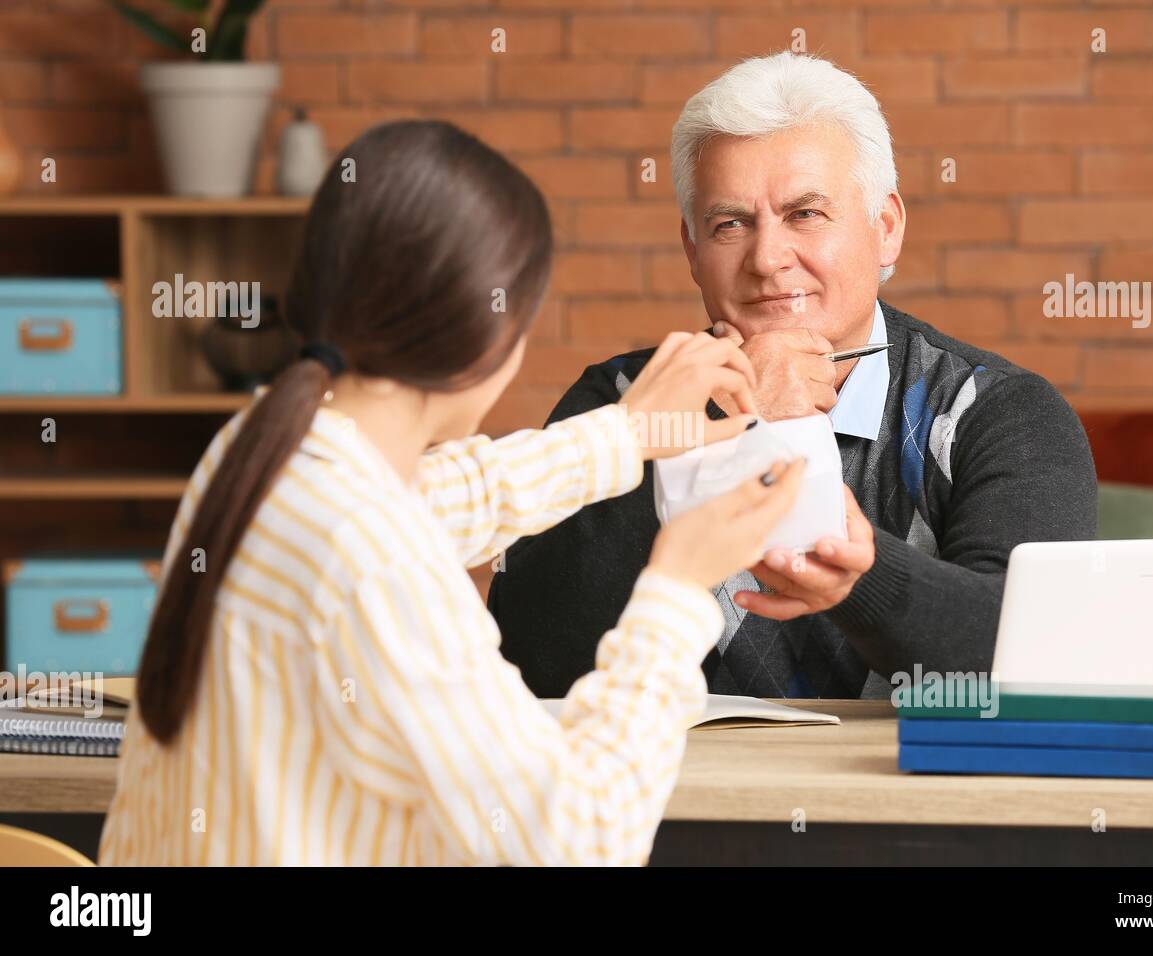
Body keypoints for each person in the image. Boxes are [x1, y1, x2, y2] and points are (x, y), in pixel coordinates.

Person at [98, 120, 804, 867]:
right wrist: (677, 586)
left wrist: (629, 433)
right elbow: (574, 840)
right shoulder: (370, 552)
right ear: (490, 338)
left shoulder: (265, 446)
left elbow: (455, 496)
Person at [489, 52, 1097, 700]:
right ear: (694, 251)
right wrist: (715, 431)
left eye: (805, 214)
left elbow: (1036, 654)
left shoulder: (996, 413)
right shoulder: (617, 405)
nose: (768, 258)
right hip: (673, 799)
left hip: (904, 802)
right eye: (731, 224)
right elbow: (525, 658)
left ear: (885, 229)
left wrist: (861, 580)